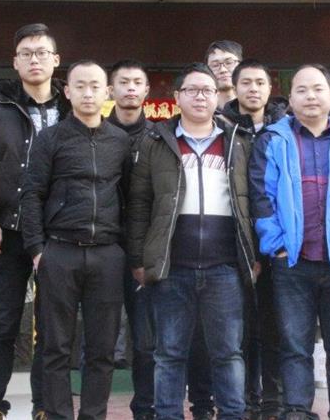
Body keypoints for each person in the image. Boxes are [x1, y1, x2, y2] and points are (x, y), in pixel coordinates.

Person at [126, 63, 258, 420]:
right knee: (169, 353)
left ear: (218, 97)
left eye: (208, 90)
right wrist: (139, 259)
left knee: (228, 353)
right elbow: (139, 205)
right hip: (172, 267)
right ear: (177, 96)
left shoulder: (237, 142)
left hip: (225, 268)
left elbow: (254, 202)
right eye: (192, 90)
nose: (200, 97)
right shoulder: (155, 142)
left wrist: (254, 256)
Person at [249, 64, 330, 420]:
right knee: (294, 346)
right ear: (290, 99)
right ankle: (296, 409)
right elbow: (261, 197)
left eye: (318, 89)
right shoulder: (273, 141)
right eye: (302, 90)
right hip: (292, 262)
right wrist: (276, 246)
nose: (311, 96)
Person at [0, 23, 69, 420]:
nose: (34, 59)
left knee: (51, 327)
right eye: (26, 53)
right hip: (8, 229)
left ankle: (44, 406)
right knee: (3, 321)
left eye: (42, 53)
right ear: (15, 62)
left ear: (55, 60)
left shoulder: (69, 106)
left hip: (55, 232)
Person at [21, 60, 129, 420]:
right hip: (59, 252)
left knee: (101, 349)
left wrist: (125, 251)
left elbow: (129, 198)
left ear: (107, 92)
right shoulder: (50, 139)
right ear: (67, 92)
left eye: (95, 86)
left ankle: (93, 415)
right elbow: (32, 195)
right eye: (79, 86)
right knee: (55, 347)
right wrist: (38, 251)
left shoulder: (120, 141)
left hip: (107, 255)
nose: (87, 93)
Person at [220, 59, 288, 420]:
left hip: (278, 239)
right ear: (234, 88)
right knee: (241, 327)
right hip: (234, 240)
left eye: (260, 82)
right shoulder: (221, 127)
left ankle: (274, 401)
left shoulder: (285, 128)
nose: (253, 89)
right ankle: (245, 400)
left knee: (275, 325)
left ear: (269, 87)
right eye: (246, 82)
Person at [186, 39, 244, 420]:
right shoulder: (191, 124)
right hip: (193, 255)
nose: (223, 68)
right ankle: (202, 405)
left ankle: (248, 403)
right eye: (215, 63)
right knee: (196, 341)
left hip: (238, 249)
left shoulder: (247, 122)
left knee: (236, 341)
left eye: (229, 62)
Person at [108, 59, 156, 420]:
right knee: (98, 340)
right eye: (123, 82)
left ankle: (146, 409)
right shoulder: (93, 132)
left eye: (137, 82)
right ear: (111, 90)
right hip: (102, 248)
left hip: (144, 250)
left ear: (146, 91)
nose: (130, 89)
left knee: (146, 341)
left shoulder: (158, 137)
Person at [206, 39, 243, 108]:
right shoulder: (199, 112)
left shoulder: (257, 110)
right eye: (215, 65)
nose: (222, 70)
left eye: (229, 63)